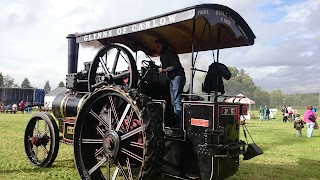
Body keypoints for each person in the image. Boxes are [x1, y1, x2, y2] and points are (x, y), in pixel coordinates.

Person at [155, 38, 186, 128]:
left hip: (177, 77)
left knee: (176, 100)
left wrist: (164, 70)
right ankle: (175, 121)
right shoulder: (162, 56)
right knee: (173, 101)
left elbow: (176, 65)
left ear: (163, 46)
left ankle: (179, 124)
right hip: (172, 78)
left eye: (158, 47)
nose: (156, 49)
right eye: (156, 47)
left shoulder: (170, 53)